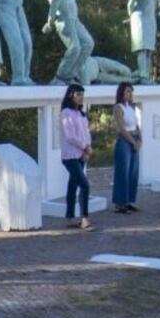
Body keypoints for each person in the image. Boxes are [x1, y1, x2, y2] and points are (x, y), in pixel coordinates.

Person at [59, 84, 93, 231]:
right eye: (78, 94)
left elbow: (86, 133)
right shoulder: (66, 113)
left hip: (81, 155)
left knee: (72, 185)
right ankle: (84, 218)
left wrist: (87, 149)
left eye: (82, 95)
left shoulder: (80, 114)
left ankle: (70, 217)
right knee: (84, 185)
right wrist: (85, 147)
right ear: (71, 95)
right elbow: (70, 136)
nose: (81, 97)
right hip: (70, 156)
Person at [127, 0, 160, 83]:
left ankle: (147, 76)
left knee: (149, 50)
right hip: (140, 18)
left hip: (151, 19)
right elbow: (130, 4)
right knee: (142, 49)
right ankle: (143, 75)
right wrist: (133, 16)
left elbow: (157, 3)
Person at [111, 82, 141, 214]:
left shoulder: (131, 107)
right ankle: (120, 203)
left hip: (134, 138)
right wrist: (132, 141)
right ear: (122, 92)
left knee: (133, 172)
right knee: (123, 172)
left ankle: (129, 201)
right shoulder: (118, 108)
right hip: (125, 140)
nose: (130, 94)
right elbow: (121, 128)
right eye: (128, 91)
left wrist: (140, 140)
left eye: (131, 91)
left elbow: (136, 125)